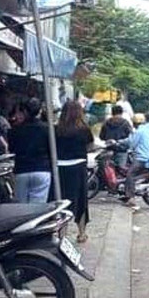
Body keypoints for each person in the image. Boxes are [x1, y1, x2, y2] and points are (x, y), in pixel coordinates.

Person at [56, 100, 94, 242]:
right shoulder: (84, 129)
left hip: (60, 167)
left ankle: (62, 234)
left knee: (61, 200)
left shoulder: (56, 129)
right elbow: (90, 147)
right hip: (78, 167)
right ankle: (81, 233)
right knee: (81, 200)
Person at [8, 98, 52, 203]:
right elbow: (51, 148)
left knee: (21, 207)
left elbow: (11, 149)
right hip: (42, 169)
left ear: (24, 111)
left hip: (21, 170)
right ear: (40, 111)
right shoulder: (47, 128)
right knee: (38, 207)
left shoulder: (15, 130)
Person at [118, 113, 149, 207]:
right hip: (146, 155)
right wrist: (120, 141)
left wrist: (122, 144)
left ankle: (131, 198)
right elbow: (131, 139)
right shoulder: (145, 129)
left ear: (135, 123)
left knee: (129, 175)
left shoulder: (139, 131)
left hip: (140, 157)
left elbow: (132, 143)